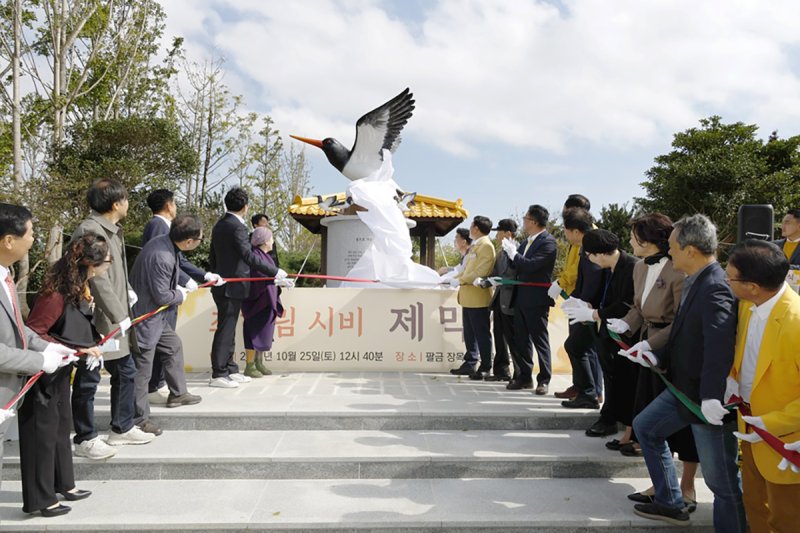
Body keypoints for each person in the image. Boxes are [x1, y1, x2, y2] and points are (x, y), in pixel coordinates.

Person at [629, 214, 746, 531]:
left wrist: (711, 397)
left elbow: (719, 347)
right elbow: (683, 332)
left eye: (672, 248)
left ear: (691, 249)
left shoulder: (715, 286)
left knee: (722, 483)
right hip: (683, 389)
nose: (669, 253)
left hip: (705, 400)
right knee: (647, 428)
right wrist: (654, 350)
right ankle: (670, 500)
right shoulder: (696, 279)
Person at [610, 214, 698, 510]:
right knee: (649, 415)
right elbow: (638, 307)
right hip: (646, 347)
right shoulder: (638, 268)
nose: (631, 241)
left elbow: (681, 320)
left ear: (648, 240)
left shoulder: (678, 269)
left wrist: (652, 343)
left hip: (672, 349)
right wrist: (625, 325)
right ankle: (662, 483)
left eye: (635, 236)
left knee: (681, 423)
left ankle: (687, 487)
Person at [22, 233, 108, 516]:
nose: (108, 265)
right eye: (106, 260)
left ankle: (64, 484)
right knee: (42, 433)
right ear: (89, 262)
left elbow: (74, 326)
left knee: (61, 426)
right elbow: (35, 331)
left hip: (61, 368)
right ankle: (41, 498)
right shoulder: (55, 291)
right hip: (43, 371)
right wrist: (63, 350)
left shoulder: (78, 285)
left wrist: (90, 344)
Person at [70, 179, 154, 458]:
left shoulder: (111, 231)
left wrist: (126, 295)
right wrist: (119, 314)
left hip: (115, 316)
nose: (128, 204)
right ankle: (84, 437)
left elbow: (115, 276)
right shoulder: (90, 230)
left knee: (125, 371)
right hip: (94, 318)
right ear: (116, 204)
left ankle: (121, 426)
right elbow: (98, 280)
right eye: (126, 200)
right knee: (88, 379)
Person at [0, 203, 76, 510]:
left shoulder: (5, 276)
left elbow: (17, 328)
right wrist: (38, 362)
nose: (33, 239)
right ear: (8, 240)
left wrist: (46, 347)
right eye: (30, 233)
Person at [725, 240, 800, 532]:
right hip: (749, 429)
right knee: (755, 508)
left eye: (730, 276)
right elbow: (747, 356)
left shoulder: (795, 322)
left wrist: (769, 423)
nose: (725, 281)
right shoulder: (748, 306)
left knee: (786, 519)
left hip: (785, 442)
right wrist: (731, 380)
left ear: (752, 286)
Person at [129, 214, 206, 435]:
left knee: (173, 345)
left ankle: (178, 393)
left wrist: (185, 282)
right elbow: (162, 296)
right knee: (142, 373)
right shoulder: (162, 256)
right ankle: (138, 419)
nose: (200, 242)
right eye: (200, 239)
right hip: (145, 318)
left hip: (156, 318)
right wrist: (181, 294)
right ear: (189, 241)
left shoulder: (165, 244)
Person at [141, 189, 218, 406]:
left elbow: (177, 262)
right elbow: (168, 267)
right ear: (168, 205)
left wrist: (201, 276)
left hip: (164, 298)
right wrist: (185, 285)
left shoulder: (166, 234)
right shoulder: (159, 229)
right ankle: (149, 391)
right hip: (156, 304)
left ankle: (173, 390)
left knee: (170, 343)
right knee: (153, 352)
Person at [208, 187, 285, 388]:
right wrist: (274, 271)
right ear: (245, 206)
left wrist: (216, 273)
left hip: (224, 284)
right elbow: (248, 255)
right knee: (226, 329)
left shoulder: (220, 225)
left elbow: (213, 256)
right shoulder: (237, 227)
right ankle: (219, 373)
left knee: (230, 327)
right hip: (231, 286)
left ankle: (231, 369)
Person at [564, 229, 638, 437]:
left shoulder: (630, 266)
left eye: (589, 254)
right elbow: (602, 296)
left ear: (600, 253)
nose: (588, 258)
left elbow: (625, 303)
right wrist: (584, 304)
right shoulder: (608, 268)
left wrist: (594, 313)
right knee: (610, 377)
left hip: (623, 333)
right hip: (606, 331)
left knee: (622, 382)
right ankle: (611, 419)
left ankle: (615, 423)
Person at [501, 205, 557, 394]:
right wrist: (510, 254)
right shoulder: (526, 242)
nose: (523, 222)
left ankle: (544, 379)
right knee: (521, 340)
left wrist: (513, 254)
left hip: (537, 299)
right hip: (520, 297)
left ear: (533, 221)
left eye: (525, 218)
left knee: (539, 339)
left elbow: (532, 266)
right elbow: (517, 266)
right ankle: (525, 377)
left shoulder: (548, 242)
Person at [559, 209, 606, 410]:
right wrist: (574, 299)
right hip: (583, 305)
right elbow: (582, 278)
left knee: (577, 346)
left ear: (576, 231)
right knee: (577, 346)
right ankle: (585, 391)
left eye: (566, 231)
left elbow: (595, 279)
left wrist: (585, 304)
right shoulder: (582, 245)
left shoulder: (592, 246)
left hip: (591, 310)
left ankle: (589, 393)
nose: (566, 236)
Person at [447, 216, 496, 378]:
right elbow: (466, 269)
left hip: (478, 298)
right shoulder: (475, 246)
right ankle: (470, 363)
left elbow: (480, 272)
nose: (469, 228)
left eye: (471, 225)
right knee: (469, 334)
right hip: (468, 297)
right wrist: (453, 279)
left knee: (481, 334)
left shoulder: (486, 246)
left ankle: (486, 366)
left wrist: (459, 280)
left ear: (476, 228)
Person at [242, 227, 293, 378]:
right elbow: (258, 275)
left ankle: (259, 362)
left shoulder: (267, 256)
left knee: (264, 332)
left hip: (267, 299)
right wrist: (276, 279)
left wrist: (281, 282)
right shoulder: (255, 256)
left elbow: (270, 275)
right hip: (257, 301)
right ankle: (249, 365)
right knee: (253, 332)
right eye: (271, 238)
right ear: (264, 241)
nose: (273, 241)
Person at [482, 218, 518, 382]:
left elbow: (515, 274)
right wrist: (486, 280)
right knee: (499, 335)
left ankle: (519, 373)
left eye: (499, 232)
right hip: (499, 299)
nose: (496, 236)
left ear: (508, 233)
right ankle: (501, 371)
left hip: (512, 300)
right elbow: (495, 272)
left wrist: (500, 279)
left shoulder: (517, 250)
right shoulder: (501, 253)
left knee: (513, 338)